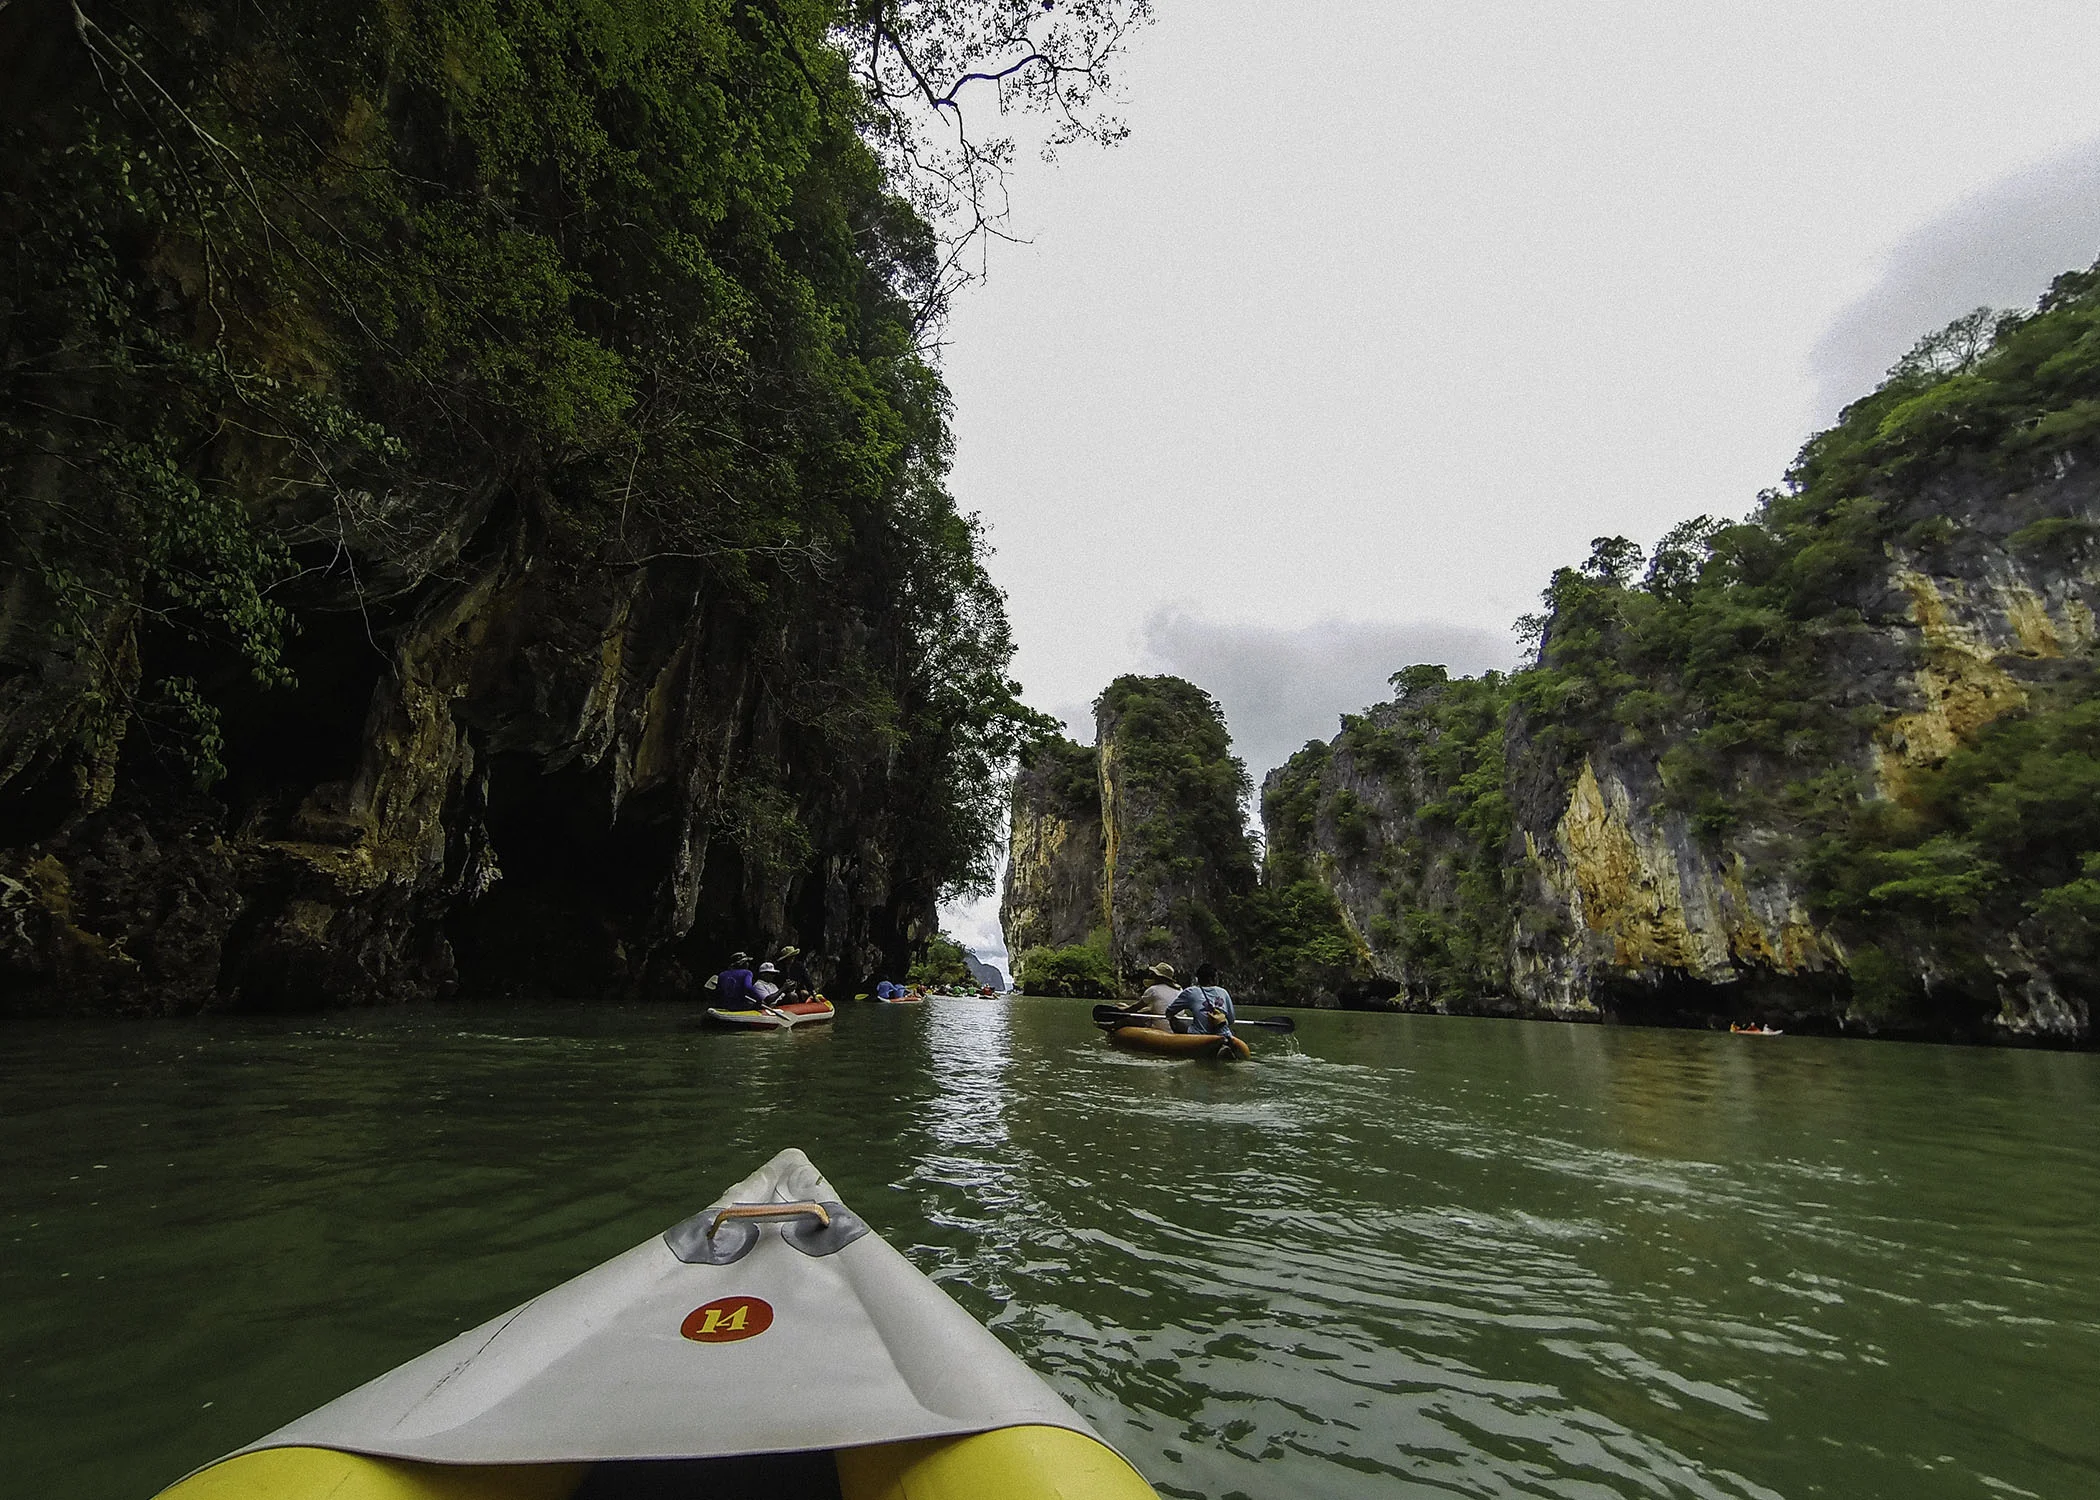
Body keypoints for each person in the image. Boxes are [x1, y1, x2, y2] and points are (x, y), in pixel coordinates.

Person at [1165, 963, 1236, 1035]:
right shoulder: (1223, 992)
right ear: (1211, 979)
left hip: (1199, 1035)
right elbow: (1231, 1020)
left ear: (1198, 979)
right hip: (1223, 1034)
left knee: (1175, 1022)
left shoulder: (1191, 992)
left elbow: (1170, 1011)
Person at [1131, 962, 1180, 1030]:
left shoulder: (1153, 990)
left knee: (1127, 1020)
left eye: (1153, 974)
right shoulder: (1180, 990)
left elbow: (1135, 1008)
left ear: (1157, 976)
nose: (1152, 975)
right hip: (1177, 1027)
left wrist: (1121, 1010)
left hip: (1161, 1027)